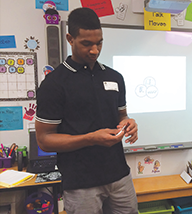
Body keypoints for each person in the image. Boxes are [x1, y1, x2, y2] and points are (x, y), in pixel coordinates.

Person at [35, 7, 139, 214]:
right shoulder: (54, 84)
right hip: (81, 183)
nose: (95, 50)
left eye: (99, 43)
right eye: (86, 44)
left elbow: (122, 116)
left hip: (119, 176)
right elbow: (44, 140)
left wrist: (129, 123)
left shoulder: (115, 77)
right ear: (69, 39)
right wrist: (90, 138)